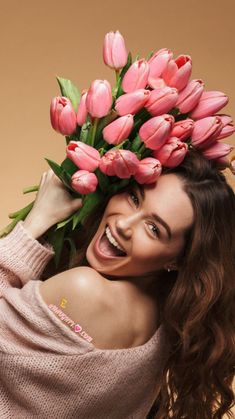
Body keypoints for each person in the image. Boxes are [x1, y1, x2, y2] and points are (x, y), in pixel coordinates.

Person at [0, 149, 234, 418]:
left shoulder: (85, 290)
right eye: (134, 197)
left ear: (179, 260)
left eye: (154, 228)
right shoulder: (159, 330)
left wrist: (35, 223)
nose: (124, 223)